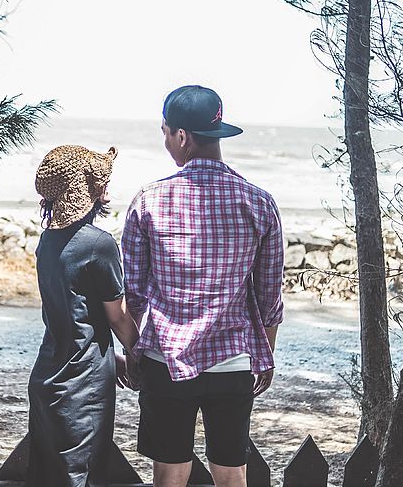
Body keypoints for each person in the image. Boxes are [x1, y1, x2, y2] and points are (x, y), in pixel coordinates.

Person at [122, 85, 285, 487]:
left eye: (165, 133)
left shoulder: (148, 201)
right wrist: (264, 355)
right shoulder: (259, 202)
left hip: (166, 361)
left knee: (169, 475)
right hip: (232, 361)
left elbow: (135, 294)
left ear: (181, 136)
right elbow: (269, 297)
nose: (166, 142)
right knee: (232, 476)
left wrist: (132, 350)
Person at [27, 145, 139, 487]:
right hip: (83, 385)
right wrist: (140, 355)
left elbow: (75, 313)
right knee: (83, 478)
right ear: (92, 191)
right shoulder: (98, 244)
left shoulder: (48, 241)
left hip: (48, 375)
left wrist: (107, 357)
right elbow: (117, 318)